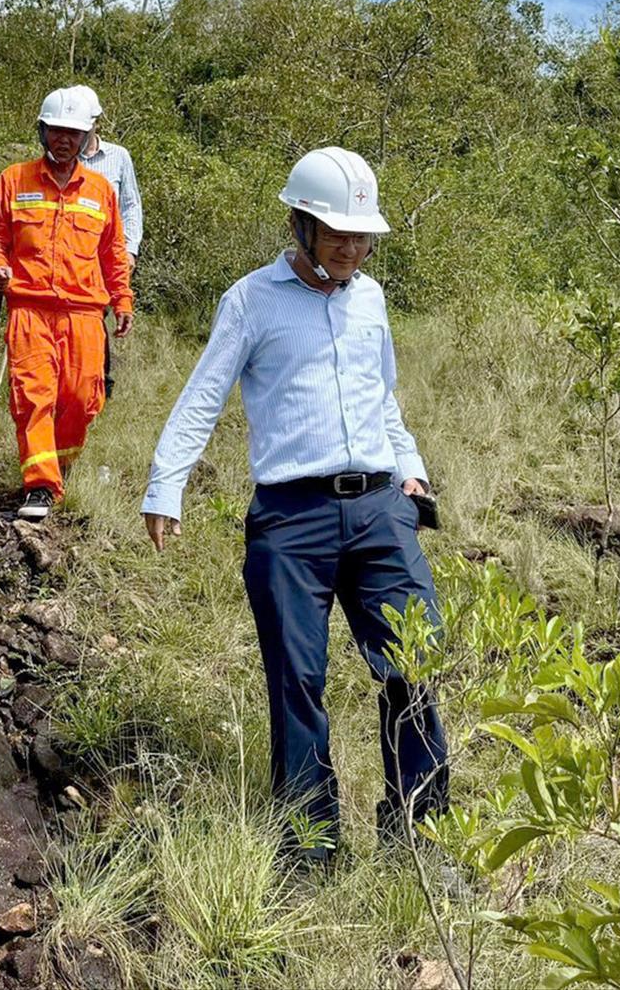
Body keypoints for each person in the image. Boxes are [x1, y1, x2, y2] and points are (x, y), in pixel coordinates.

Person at [143, 147, 446, 865]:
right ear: (299, 224)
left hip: (380, 511)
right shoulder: (251, 300)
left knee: (414, 663)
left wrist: (412, 473)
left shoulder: (370, 298)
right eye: (336, 232)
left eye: (361, 234)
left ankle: (421, 839)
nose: (351, 247)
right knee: (297, 682)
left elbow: (385, 399)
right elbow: (203, 396)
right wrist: (166, 484)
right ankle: (309, 846)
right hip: (291, 519)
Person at [0, 88, 133, 522]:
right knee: (33, 396)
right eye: (56, 131)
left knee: (81, 398)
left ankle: (60, 462)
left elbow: (114, 251)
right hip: (29, 308)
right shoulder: (15, 180)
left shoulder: (102, 191)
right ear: (42, 131)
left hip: (85, 312)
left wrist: (122, 299)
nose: (63, 140)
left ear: (88, 135)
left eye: (73, 132)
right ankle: (41, 486)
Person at [66, 85, 142, 261]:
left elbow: (130, 206)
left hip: (107, 255)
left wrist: (129, 250)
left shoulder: (119, 156)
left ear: (96, 122)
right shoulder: (59, 158)